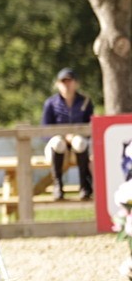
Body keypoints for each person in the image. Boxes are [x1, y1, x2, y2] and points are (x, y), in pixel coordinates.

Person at [41, 68, 94, 201]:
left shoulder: (85, 102)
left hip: (79, 145)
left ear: (76, 83)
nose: (67, 85)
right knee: (58, 143)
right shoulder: (51, 104)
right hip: (58, 146)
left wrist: (75, 135)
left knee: (81, 142)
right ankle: (58, 185)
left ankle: (84, 185)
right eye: (63, 82)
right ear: (58, 84)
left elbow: (91, 127)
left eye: (69, 81)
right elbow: (44, 131)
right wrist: (63, 136)